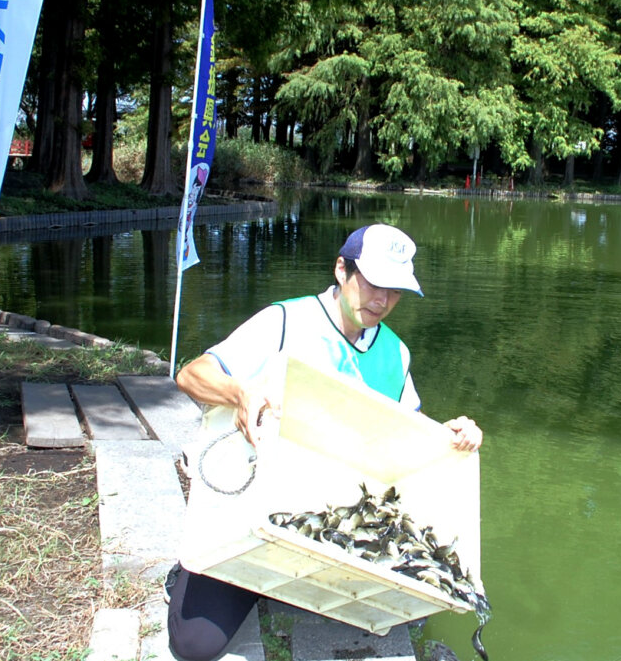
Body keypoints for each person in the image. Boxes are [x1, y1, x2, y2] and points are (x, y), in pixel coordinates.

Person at [167, 223, 483, 661]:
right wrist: (241, 393)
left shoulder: (396, 353)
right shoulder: (283, 321)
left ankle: (291, 577)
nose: (382, 300)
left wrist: (453, 436)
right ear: (341, 269)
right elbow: (192, 374)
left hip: (326, 514)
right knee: (195, 646)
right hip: (254, 503)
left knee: (405, 607)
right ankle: (215, 573)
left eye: (395, 291)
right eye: (374, 284)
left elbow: (406, 436)